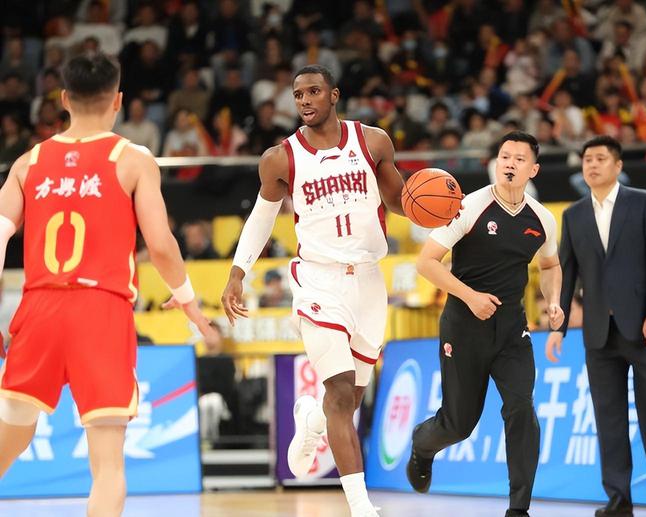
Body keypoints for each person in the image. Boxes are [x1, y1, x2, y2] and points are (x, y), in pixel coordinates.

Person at [0, 52, 212, 517]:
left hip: (38, 308)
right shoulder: (132, 159)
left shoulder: (28, 162)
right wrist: (188, 301)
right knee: (108, 467)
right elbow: (161, 245)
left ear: (63, 99)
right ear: (117, 100)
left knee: (11, 435)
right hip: (101, 310)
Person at [221, 64, 405, 517]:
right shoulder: (280, 158)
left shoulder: (373, 142)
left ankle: (312, 419)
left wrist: (446, 213)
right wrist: (238, 272)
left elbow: (401, 201)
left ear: (334, 95)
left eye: (314, 92)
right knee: (339, 391)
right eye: (298, 94)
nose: (304, 100)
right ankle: (361, 506)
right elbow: (262, 217)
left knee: (351, 399)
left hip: (369, 280)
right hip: (318, 280)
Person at [407, 132, 565, 517]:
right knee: (459, 424)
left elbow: (550, 265)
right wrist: (470, 297)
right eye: (504, 156)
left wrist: (553, 301)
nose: (510, 163)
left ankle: (518, 509)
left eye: (519, 158)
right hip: (464, 326)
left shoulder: (542, 219)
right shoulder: (468, 206)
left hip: (512, 330)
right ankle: (422, 446)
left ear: (533, 169)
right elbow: (426, 263)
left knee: (521, 409)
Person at [545, 135, 646, 517]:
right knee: (608, 421)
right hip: (597, 334)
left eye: (600, 158)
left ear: (618, 165)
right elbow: (566, 273)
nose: (592, 165)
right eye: (587, 160)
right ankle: (618, 500)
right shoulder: (574, 214)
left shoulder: (644, 202)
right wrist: (558, 326)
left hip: (644, 330)